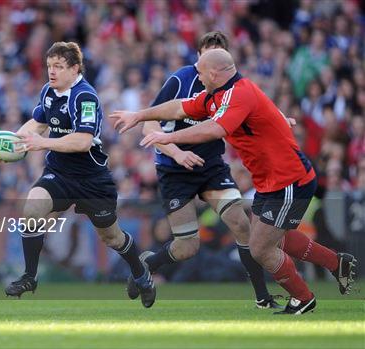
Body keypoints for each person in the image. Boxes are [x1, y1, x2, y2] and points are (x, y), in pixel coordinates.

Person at [110, 49, 356, 315]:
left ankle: (303, 298)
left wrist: (169, 139)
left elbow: (214, 129)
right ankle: (336, 264)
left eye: (201, 71)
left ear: (214, 73)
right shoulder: (216, 95)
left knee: (260, 248)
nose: (198, 76)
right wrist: (140, 115)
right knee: (274, 239)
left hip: (288, 180)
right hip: (270, 182)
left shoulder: (239, 94)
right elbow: (179, 107)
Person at [126, 31, 281, 309]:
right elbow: (150, 124)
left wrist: (280, 120)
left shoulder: (232, 87)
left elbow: (256, 110)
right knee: (187, 247)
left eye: (217, 56)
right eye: (206, 54)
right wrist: (177, 152)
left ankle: (262, 297)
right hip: (175, 170)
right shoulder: (179, 79)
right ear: (198, 57)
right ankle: (146, 263)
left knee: (241, 224)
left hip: (211, 166)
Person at [4, 42, 156, 308]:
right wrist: (13, 142)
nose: (52, 72)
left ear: (75, 69)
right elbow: (38, 123)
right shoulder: (48, 91)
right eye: (49, 66)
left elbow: (83, 141)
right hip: (59, 173)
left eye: (59, 67)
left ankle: (141, 273)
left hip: (91, 179)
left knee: (112, 237)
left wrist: (42, 144)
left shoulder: (85, 96)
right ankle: (30, 276)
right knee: (31, 210)